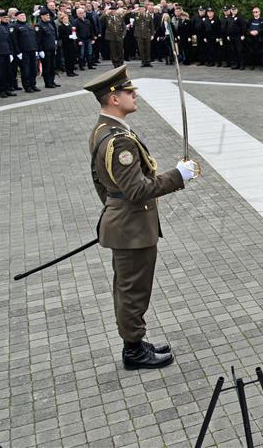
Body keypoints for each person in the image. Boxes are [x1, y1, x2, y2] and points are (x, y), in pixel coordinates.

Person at [85, 65, 199, 369]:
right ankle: (133, 351)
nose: (134, 94)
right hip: (131, 228)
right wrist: (178, 176)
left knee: (130, 288)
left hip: (125, 223)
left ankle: (134, 340)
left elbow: (101, 181)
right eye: (128, 91)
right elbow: (136, 190)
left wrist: (113, 206)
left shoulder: (104, 129)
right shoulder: (118, 139)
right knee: (133, 291)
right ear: (113, 98)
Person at [12, 10, 40, 93]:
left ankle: (33, 84)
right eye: (21, 16)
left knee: (33, 70)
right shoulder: (15, 27)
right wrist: (18, 52)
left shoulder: (29, 25)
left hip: (32, 50)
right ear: (16, 17)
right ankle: (27, 86)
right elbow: (15, 41)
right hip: (23, 52)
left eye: (24, 15)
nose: (23, 17)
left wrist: (36, 49)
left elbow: (34, 38)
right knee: (25, 71)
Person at [56, 11, 79, 77]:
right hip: (66, 44)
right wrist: (68, 37)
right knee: (67, 58)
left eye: (67, 19)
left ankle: (72, 70)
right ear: (62, 20)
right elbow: (61, 36)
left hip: (72, 43)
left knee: (72, 57)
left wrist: (74, 36)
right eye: (64, 19)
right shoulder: (61, 27)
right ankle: (68, 72)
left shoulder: (70, 25)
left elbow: (74, 32)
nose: (66, 20)